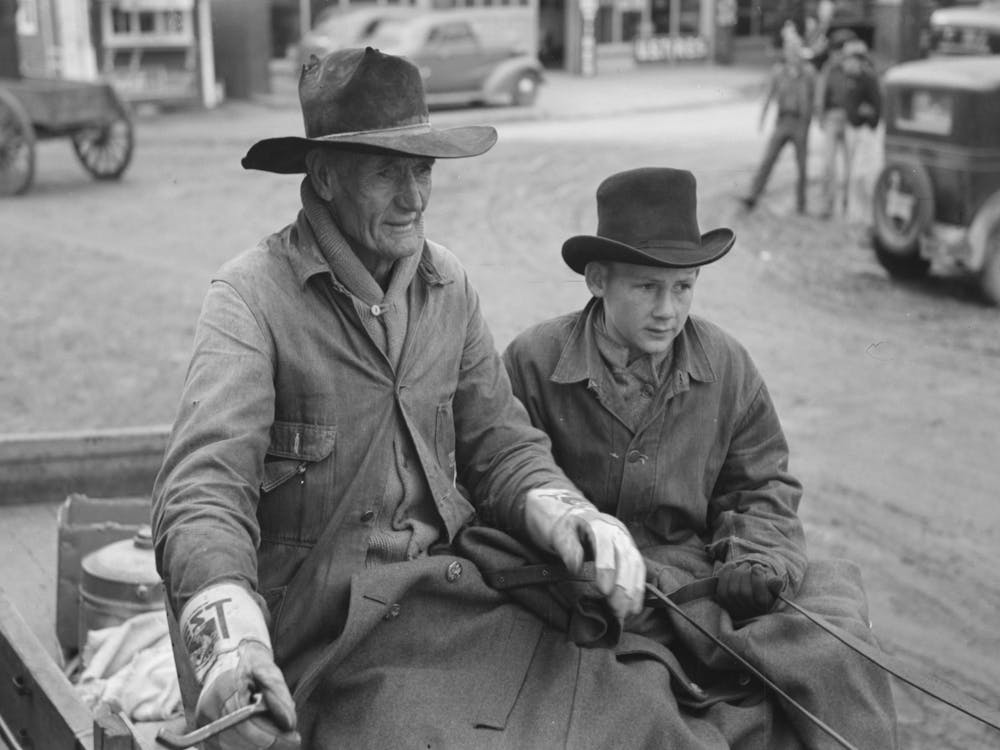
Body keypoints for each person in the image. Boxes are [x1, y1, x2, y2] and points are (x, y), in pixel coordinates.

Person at [150, 47, 656, 749]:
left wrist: (568, 515)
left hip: (443, 601)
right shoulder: (250, 299)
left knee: (629, 703)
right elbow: (202, 492)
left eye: (422, 170)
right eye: (388, 171)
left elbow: (500, 444)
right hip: (322, 642)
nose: (414, 197)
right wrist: (233, 648)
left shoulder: (449, 286)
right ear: (323, 176)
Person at [503, 167, 900, 749]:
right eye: (646, 288)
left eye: (683, 287)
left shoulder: (726, 363)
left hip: (702, 587)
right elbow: (505, 475)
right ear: (597, 280)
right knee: (604, 709)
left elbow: (761, 484)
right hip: (577, 590)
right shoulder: (533, 362)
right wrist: (575, 552)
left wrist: (757, 558)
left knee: (836, 646)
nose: (669, 309)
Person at [741, 35, 815, 214]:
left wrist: (812, 120)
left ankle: (801, 205)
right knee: (768, 159)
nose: (793, 54)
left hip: (800, 122)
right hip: (783, 120)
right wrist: (762, 118)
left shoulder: (809, 73)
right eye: (790, 50)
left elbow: (816, 97)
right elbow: (769, 95)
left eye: (796, 50)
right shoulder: (778, 71)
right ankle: (753, 195)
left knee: (802, 166)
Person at [814, 36, 882, 218]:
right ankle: (827, 204)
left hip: (852, 123)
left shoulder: (860, 72)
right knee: (828, 164)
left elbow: (870, 99)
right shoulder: (831, 70)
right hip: (833, 118)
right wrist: (820, 115)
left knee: (851, 167)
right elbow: (822, 94)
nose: (840, 56)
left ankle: (847, 205)